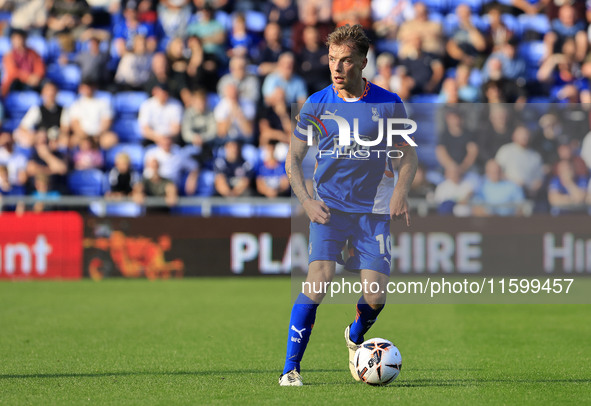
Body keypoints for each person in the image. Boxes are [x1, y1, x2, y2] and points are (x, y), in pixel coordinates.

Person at [279, 24, 417, 386]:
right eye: (331, 60)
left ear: (363, 63)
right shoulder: (317, 104)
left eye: (346, 61)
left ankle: (356, 334)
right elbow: (292, 160)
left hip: (373, 212)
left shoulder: (388, 104)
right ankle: (290, 369)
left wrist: (401, 190)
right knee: (318, 280)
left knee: (375, 294)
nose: (337, 68)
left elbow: (408, 156)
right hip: (329, 209)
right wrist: (307, 201)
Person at [68, 81, 118, 150]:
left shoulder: (103, 101)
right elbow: (75, 123)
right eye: (86, 87)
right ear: (81, 88)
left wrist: (98, 134)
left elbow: (107, 121)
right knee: (69, 141)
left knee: (111, 139)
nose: (88, 89)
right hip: (82, 136)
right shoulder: (76, 104)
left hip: (99, 136)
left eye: (90, 86)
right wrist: (85, 136)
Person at [1, 29, 46, 97]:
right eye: (16, 39)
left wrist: (37, 77)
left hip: (33, 82)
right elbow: (13, 72)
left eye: (21, 38)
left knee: (46, 84)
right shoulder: (9, 55)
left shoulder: (33, 53)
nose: (19, 41)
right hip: (16, 84)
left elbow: (40, 67)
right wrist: (28, 78)